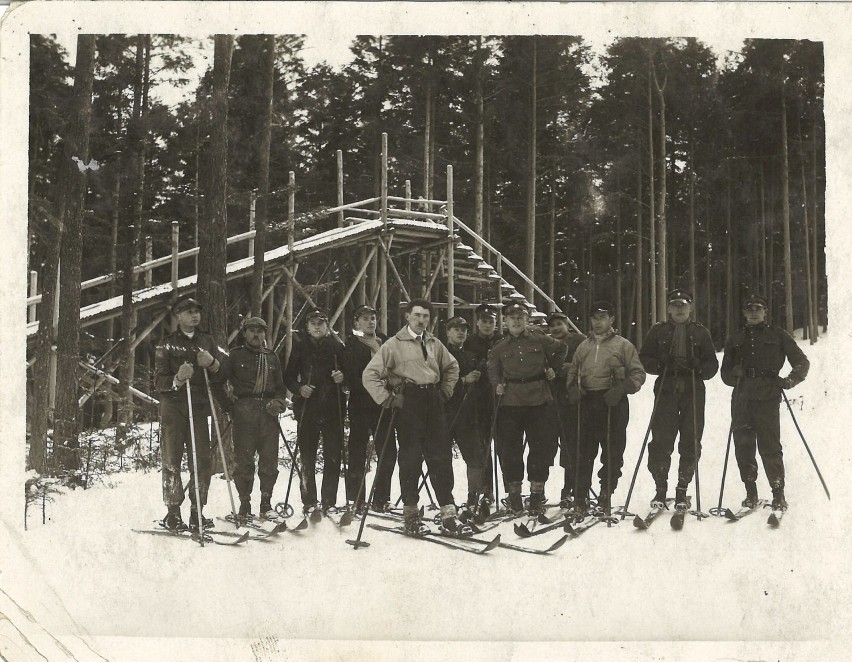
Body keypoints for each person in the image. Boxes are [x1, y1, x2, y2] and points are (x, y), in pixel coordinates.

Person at [362, 298, 462, 535]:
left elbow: (452, 367)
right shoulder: (393, 344)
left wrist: (446, 391)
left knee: (440, 456)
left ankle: (448, 514)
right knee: (411, 458)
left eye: (426, 316)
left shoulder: (435, 343)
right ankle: (410, 514)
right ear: (407, 317)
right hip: (409, 403)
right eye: (417, 315)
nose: (421, 320)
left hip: (433, 402)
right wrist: (388, 398)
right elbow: (370, 374)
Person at [720, 294, 809, 511]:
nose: (753, 312)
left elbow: (801, 362)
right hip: (741, 397)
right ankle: (751, 493)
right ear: (744, 313)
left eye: (758, 308)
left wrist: (788, 381)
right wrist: (734, 374)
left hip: (768, 397)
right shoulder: (735, 338)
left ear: (765, 312)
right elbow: (724, 374)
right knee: (743, 445)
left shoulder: (778, 335)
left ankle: (778, 493)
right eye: (749, 308)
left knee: (770, 446)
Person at [639, 289, 718, 510]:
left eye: (683, 304)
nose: (679, 308)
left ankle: (682, 488)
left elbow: (712, 366)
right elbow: (644, 358)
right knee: (661, 440)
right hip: (666, 387)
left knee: (691, 439)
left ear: (691, 307)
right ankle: (660, 488)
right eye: (675, 304)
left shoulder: (701, 332)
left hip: (693, 388)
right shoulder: (658, 331)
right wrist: (660, 364)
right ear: (669, 308)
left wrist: (698, 366)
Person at [153, 294, 227, 531]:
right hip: (173, 408)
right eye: (188, 312)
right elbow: (158, 381)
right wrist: (176, 378)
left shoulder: (206, 341)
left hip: (198, 407)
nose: (194, 316)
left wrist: (212, 363)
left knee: (202, 461)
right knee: (172, 460)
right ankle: (173, 513)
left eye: (197, 311)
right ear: (178, 316)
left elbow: (219, 376)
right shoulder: (166, 344)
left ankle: (198, 512)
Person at [565, 301, 645, 516]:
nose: (598, 322)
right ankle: (580, 497)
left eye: (602, 317)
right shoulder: (584, 346)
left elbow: (638, 374)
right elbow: (573, 372)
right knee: (584, 451)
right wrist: (572, 389)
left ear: (611, 320)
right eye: (594, 317)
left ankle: (605, 494)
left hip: (613, 402)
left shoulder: (623, 345)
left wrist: (622, 389)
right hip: (588, 401)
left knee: (612, 451)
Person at [487, 302, 567, 516]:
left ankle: (536, 495)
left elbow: (561, 348)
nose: (516, 321)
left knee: (540, 449)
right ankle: (514, 496)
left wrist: (554, 370)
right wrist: (497, 385)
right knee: (510, 451)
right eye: (512, 317)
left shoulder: (539, 339)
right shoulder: (499, 347)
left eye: (521, 317)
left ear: (527, 319)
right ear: (505, 321)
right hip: (510, 403)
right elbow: (493, 369)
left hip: (539, 400)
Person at [219, 316, 288, 520]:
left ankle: (266, 504)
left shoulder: (272, 357)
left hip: (269, 414)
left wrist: (278, 402)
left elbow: (281, 388)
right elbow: (217, 383)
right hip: (244, 412)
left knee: (269, 460)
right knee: (244, 460)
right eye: (252, 331)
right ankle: (244, 504)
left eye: (260, 331)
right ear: (245, 333)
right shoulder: (234, 356)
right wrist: (229, 406)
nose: (256, 334)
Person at [282, 308, 346, 515]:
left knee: (333, 456)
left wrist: (342, 377)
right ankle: (309, 501)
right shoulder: (300, 348)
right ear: (308, 327)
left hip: (332, 409)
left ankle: (329, 501)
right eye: (313, 324)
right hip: (307, 409)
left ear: (327, 326)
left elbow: (350, 375)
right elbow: (288, 377)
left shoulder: (337, 347)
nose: (317, 327)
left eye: (321, 323)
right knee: (307, 457)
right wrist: (299, 389)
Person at [339, 304, 395, 513]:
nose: (370, 322)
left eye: (373, 318)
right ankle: (357, 499)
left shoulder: (385, 341)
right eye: (365, 318)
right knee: (357, 452)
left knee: (388, 452)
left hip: (384, 404)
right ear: (356, 323)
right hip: (361, 404)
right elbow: (353, 376)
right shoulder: (351, 345)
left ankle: (381, 498)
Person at [443, 315, 486, 514]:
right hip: (445, 414)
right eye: (456, 329)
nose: (461, 333)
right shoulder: (440, 354)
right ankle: (447, 500)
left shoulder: (470, 356)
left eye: (464, 330)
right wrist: (464, 380)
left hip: (468, 415)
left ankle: (473, 497)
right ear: (448, 332)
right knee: (443, 459)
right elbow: (438, 383)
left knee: (474, 457)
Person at [464, 303, 502, 509]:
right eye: (484, 321)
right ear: (477, 322)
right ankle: (484, 490)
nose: (487, 325)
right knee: (481, 446)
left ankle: (509, 493)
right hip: (478, 400)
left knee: (503, 446)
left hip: (500, 398)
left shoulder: (502, 340)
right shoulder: (469, 342)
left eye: (491, 321)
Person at [546, 311, 585, 508]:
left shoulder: (580, 340)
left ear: (567, 324)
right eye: (552, 325)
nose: (556, 328)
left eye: (559, 324)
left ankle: (570, 489)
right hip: (549, 401)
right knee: (545, 446)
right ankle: (538, 492)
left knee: (571, 446)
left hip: (572, 400)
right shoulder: (545, 342)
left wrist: (561, 369)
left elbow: (585, 365)